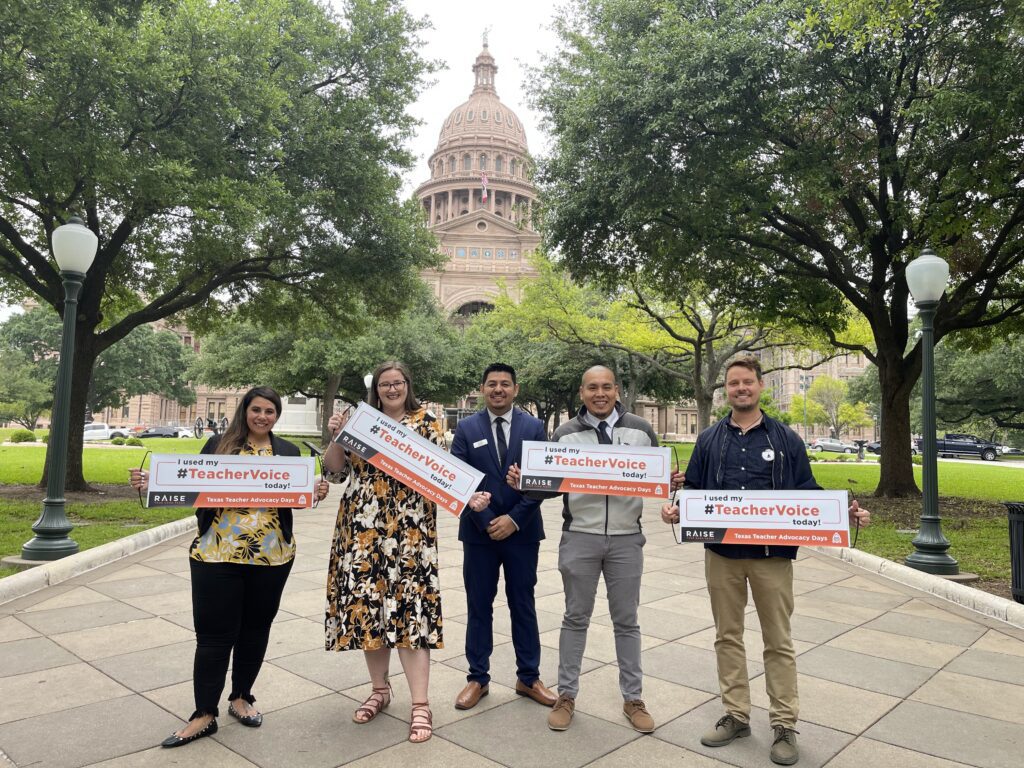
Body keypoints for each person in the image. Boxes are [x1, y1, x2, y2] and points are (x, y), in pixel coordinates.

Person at [661, 356, 871, 766]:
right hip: (721, 556)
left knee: (779, 641)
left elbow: (807, 489)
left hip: (772, 557)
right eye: (733, 383)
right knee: (727, 636)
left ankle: (784, 725)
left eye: (747, 382)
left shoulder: (785, 438)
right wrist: (676, 510)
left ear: (760, 386)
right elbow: (697, 492)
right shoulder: (708, 439)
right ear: (726, 390)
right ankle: (736, 715)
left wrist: (842, 510)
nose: (741, 389)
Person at [129, 386, 329, 748]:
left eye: (270, 411)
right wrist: (150, 483)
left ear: (276, 416)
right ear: (244, 411)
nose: (262, 417)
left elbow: (294, 501)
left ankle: (242, 697)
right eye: (256, 410)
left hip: (272, 557)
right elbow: (187, 483)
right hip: (217, 554)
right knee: (213, 637)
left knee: (255, 629)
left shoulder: (287, 451)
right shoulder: (219, 445)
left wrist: (315, 492)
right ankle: (204, 714)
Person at [508, 365, 683, 733]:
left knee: (627, 622)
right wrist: (527, 482)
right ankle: (567, 694)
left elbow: (656, 480)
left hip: (626, 539)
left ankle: (633, 698)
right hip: (580, 537)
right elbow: (550, 485)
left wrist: (670, 485)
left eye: (606, 387)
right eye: (592, 388)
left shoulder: (640, 430)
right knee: (575, 618)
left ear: (616, 390)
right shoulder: (566, 433)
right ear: (581, 392)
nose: (599, 393)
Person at [323, 361, 490, 744]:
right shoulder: (360, 420)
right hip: (361, 531)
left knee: (412, 613)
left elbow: (441, 475)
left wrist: (468, 498)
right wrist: (337, 437)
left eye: (398, 383)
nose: (392, 389)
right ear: (376, 389)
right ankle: (380, 690)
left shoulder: (428, 421)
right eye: (385, 384)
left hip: (411, 532)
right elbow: (335, 473)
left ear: (407, 385)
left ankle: (420, 704)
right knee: (369, 612)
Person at [450, 363, 556, 711]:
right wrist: (486, 520)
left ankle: (529, 677)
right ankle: (477, 678)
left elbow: (544, 483)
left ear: (516, 389)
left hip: (522, 533)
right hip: (479, 535)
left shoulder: (534, 427)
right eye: (492, 384)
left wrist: (513, 519)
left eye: (505, 384)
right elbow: (457, 480)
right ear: (482, 389)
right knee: (479, 606)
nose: (498, 389)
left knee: (522, 605)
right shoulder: (465, 428)